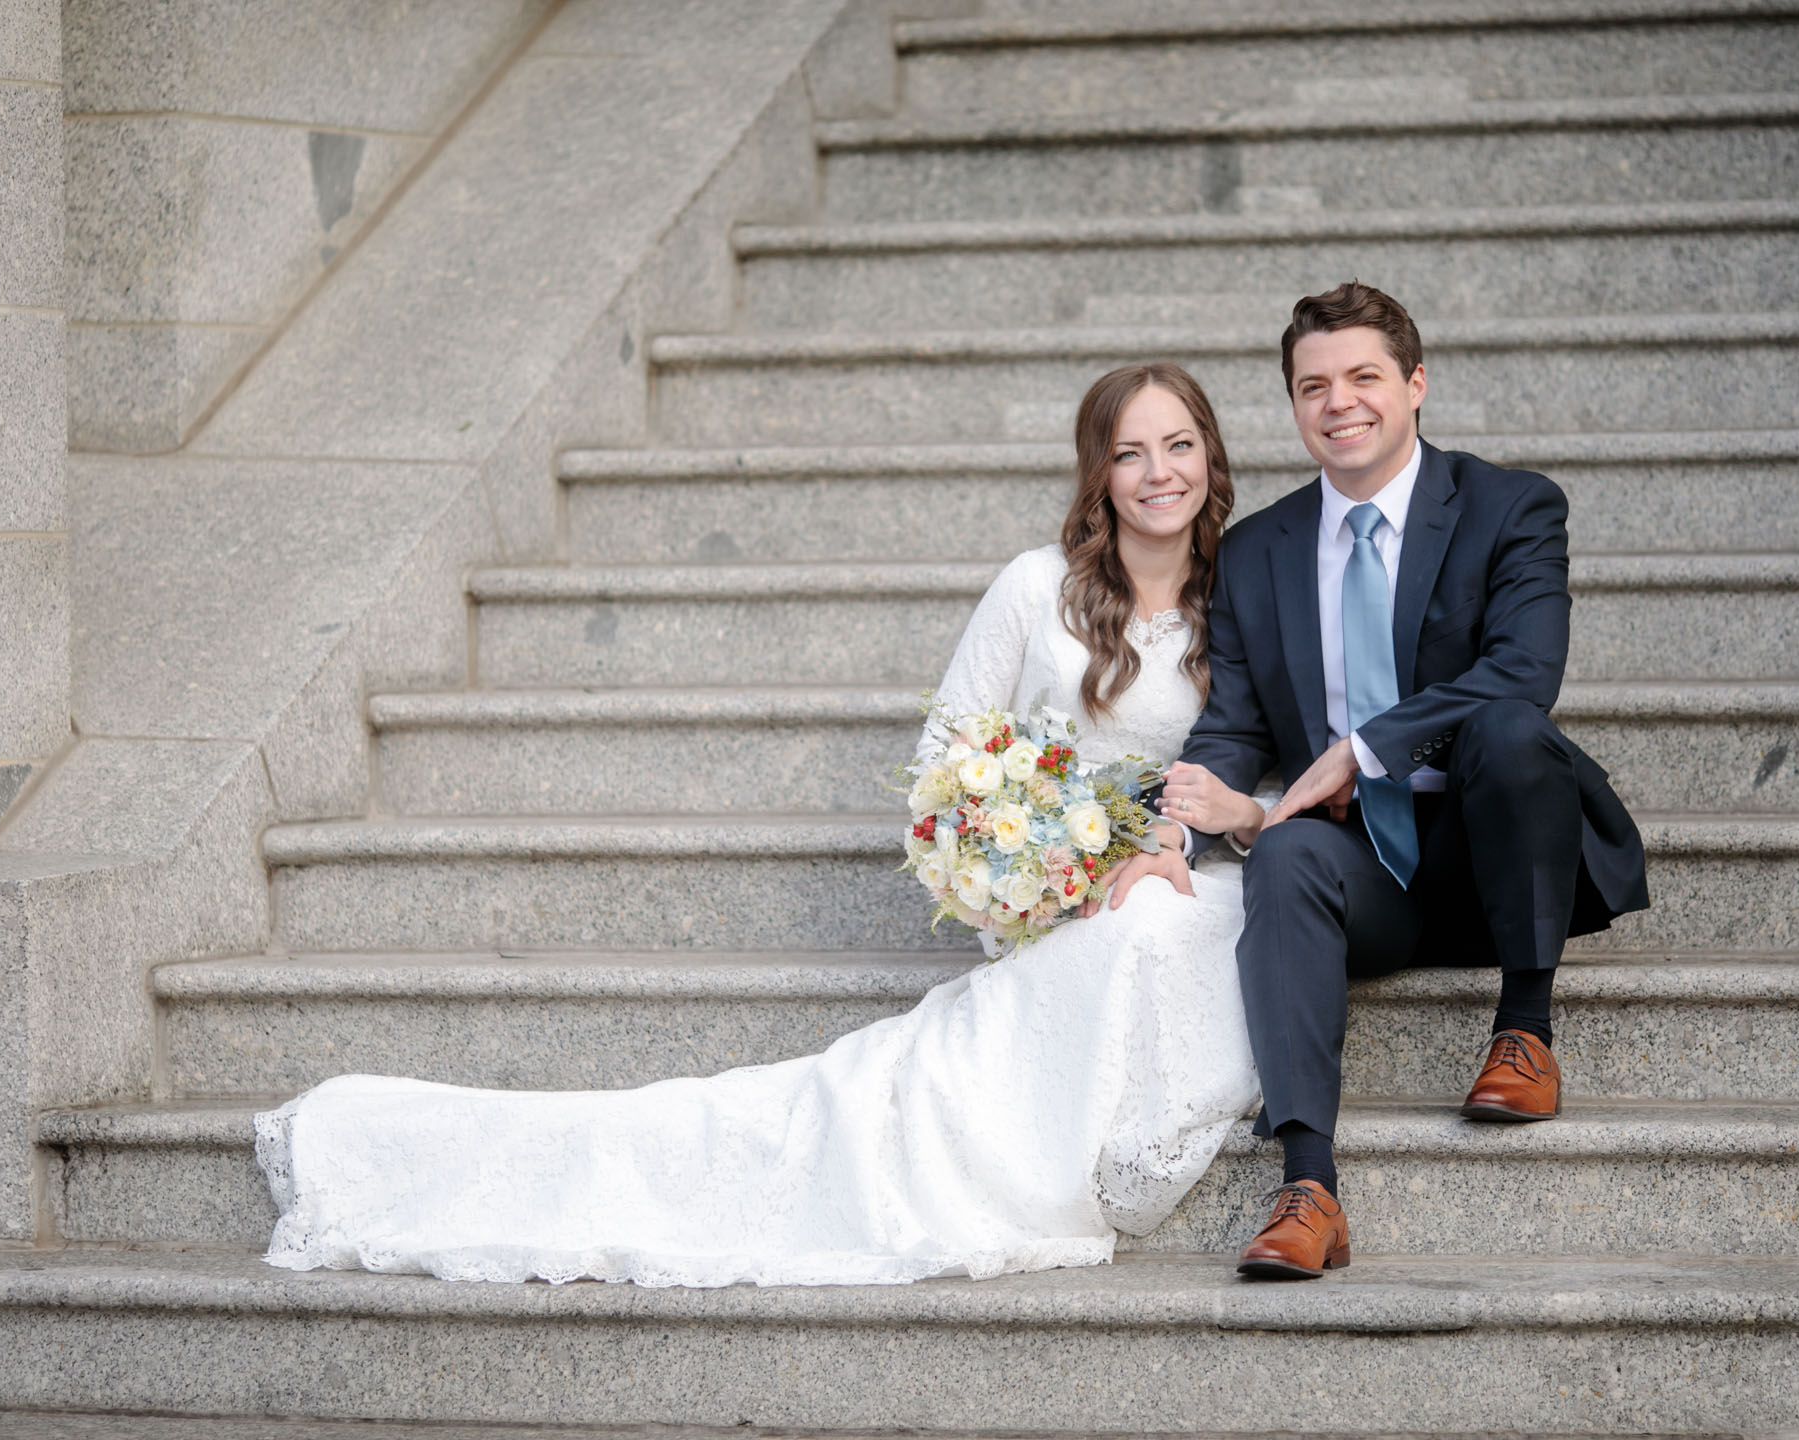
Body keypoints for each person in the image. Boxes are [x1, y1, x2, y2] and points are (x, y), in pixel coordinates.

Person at [252, 362, 1267, 1287]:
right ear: (1097, 473)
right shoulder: (1033, 585)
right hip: (1057, 902)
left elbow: (1262, 773)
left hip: (1181, 882)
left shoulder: (1249, 599)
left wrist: (1210, 832)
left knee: (1172, 925)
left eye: (1177, 445)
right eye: (1129, 451)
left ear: (1210, 459)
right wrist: (1047, 874)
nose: (1156, 472)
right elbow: (947, 763)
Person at [1161, 282, 1651, 1280]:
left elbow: (1524, 670)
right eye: (1313, 386)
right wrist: (1175, 829)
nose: (1339, 403)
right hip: (1369, 876)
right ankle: (1307, 1183)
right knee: (1288, 849)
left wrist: (1361, 747)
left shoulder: (1510, 505)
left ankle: (1525, 1032)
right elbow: (1235, 725)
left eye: (1364, 378)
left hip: (1498, 852)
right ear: (1293, 406)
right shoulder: (1257, 551)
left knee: (1511, 732)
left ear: (1416, 384)